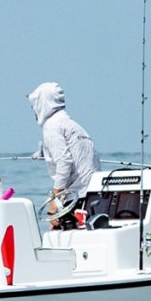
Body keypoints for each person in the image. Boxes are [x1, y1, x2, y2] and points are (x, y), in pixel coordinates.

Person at [29, 81, 97, 224]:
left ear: (44, 102)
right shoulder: (72, 124)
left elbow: (64, 163)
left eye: (34, 103)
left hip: (75, 199)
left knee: (54, 230)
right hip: (93, 196)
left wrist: (53, 204)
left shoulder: (51, 126)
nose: (33, 108)